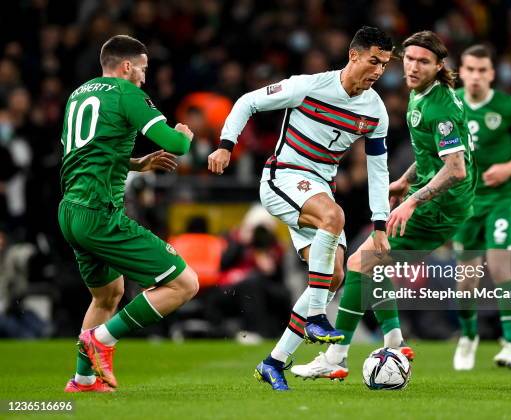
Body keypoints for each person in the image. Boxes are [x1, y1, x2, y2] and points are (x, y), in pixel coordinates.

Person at [208, 26, 393, 390]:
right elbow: (247, 101)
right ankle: (316, 317)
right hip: (283, 177)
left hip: (317, 191)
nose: (378, 70)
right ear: (353, 55)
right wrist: (226, 145)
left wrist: (380, 223)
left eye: (385, 64)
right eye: (373, 60)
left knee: (335, 275)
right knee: (334, 217)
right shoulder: (308, 86)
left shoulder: (375, 111)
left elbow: (378, 169)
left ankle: (273, 362)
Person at [292, 30, 476, 381]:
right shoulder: (426, 95)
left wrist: (412, 202)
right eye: (409, 58)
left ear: (439, 66)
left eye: (424, 61)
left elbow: (456, 168)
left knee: (361, 263)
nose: (413, 66)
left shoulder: (439, 105)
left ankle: (337, 355)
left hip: (441, 205)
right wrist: (406, 181)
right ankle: (395, 340)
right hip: (439, 198)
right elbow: (432, 155)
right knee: (373, 264)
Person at [59, 35, 199, 393]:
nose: (144, 77)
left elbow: (90, 154)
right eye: (143, 69)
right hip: (99, 212)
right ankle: (102, 339)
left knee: (107, 294)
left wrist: (138, 162)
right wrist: (183, 133)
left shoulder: (80, 93)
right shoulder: (126, 93)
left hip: (71, 211)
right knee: (184, 283)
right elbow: (177, 145)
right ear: (126, 66)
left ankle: (84, 379)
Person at [451, 44, 511, 370]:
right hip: (466, 201)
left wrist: (510, 167)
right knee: (466, 280)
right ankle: (469, 335)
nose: (476, 76)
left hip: (501, 200)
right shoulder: (451, 102)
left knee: (501, 267)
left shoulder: (509, 107)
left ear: (492, 74)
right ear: (461, 72)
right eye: (470, 70)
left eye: (482, 70)